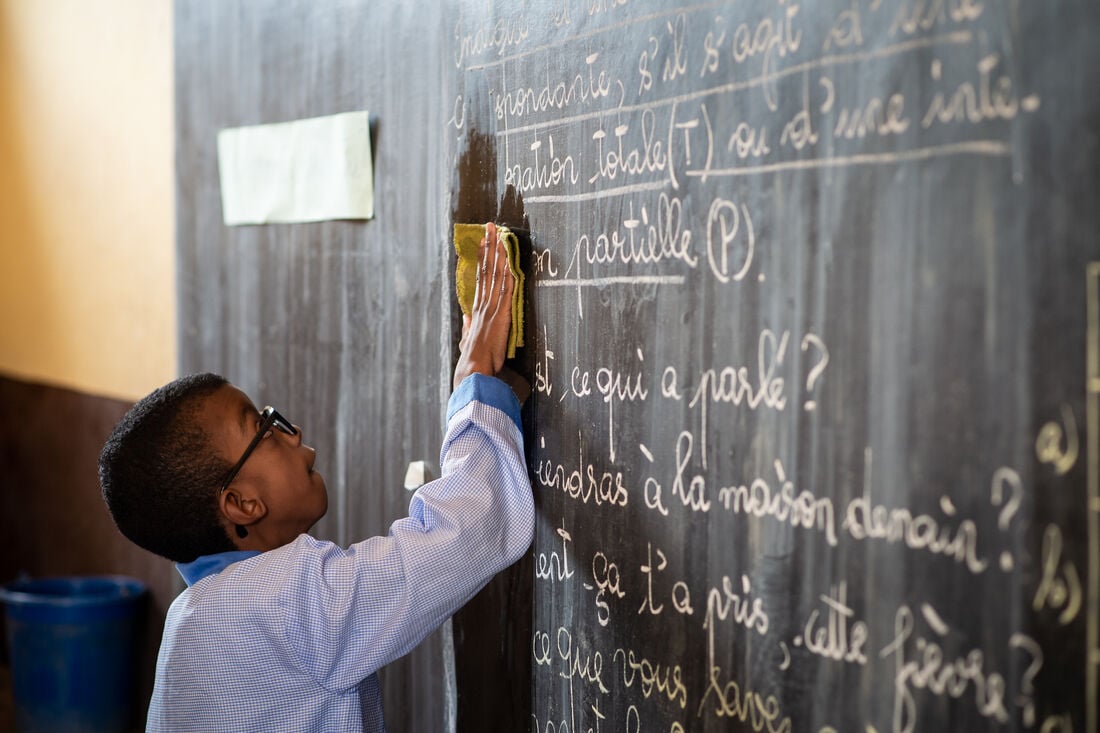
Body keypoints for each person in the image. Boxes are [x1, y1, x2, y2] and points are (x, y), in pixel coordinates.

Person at [98, 224, 533, 732]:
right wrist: (475, 383)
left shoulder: (193, 618)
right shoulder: (280, 600)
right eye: (262, 427)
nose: (291, 432)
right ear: (241, 504)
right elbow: (460, 537)